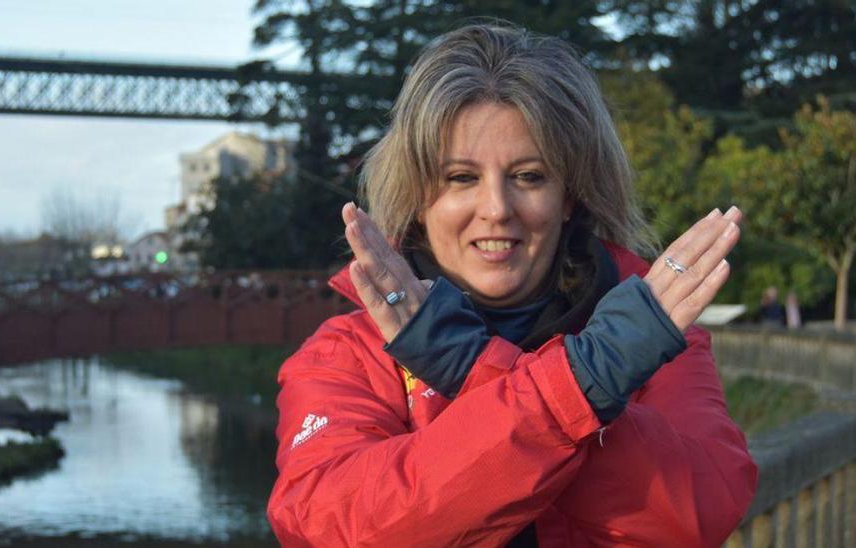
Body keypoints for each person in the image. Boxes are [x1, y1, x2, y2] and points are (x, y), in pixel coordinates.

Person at [266, 24, 757, 547]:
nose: (497, 209)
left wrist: (469, 368)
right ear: (417, 194)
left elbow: (700, 517)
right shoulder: (346, 355)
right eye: (461, 178)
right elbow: (332, 526)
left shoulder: (653, 336)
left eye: (528, 176)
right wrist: (586, 383)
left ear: (569, 194)